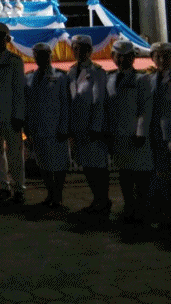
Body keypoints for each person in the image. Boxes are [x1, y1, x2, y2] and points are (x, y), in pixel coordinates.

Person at [105, 40, 153, 224]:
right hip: (118, 135)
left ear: (133, 58)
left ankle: (142, 209)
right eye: (119, 56)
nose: (122, 59)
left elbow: (145, 109)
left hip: (136, 136)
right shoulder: (109, 78)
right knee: (124, 174)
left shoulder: (142, 79)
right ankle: (129, 206)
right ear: (113, 57)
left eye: (126, 56)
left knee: (140, 174)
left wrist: (141, 133)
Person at [0, 22, 26, 204]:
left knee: (15, 154)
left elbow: (19, 90)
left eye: (1, 36)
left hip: (10, 116)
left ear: (7, 39)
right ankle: (3, 187)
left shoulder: (15, 61)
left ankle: (19, 189)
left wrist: (19, 115)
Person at [66, 34, 109, 214]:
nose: (78, 52)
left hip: (93, 128)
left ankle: (103, 200)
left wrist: (95, 128)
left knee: (98, 166)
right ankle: (97, 199)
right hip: (79, 128)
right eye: (75, 48)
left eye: (82, 49)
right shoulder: (71, 72)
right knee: (87, 166)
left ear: (90, 50)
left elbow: (99, 102)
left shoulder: (97, 71)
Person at [24, 43, 70, 208]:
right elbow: (27, 105)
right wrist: (28, 128)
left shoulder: (61, 77)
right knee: (43, 164)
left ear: (50, 56)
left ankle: (58, 196)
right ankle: (50, 194)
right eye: (38, 56)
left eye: (45, 55)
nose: (42, 59)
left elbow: (65, 104)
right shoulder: (29, 78)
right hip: (38, 128)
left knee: (59, 164)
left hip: (56, 128)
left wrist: (64, 127)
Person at [147, 42, 171, 229]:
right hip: (155, 135)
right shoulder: (150, 78)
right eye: (158, 56)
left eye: (165, 56)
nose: (161, 60)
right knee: (159, 175)